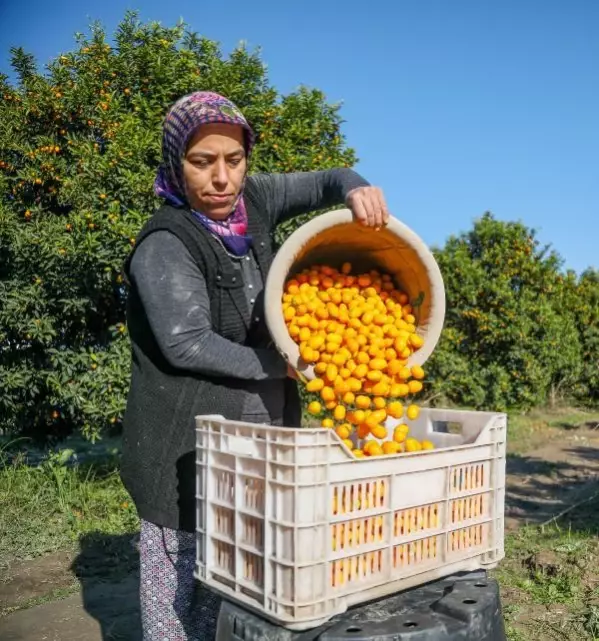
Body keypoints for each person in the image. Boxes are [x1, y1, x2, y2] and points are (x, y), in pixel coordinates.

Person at [120, 91, 389, 640]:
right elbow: (186, 345)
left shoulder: (255, 198)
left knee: (248, 591)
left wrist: (357, 186)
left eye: (234, 160)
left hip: (260, 442)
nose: (221, 178)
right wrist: (282, 364)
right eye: (202, 163)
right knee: (183, 597)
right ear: (176, 163)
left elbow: (329, 179)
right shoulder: (167, 243)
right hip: (187, 451)